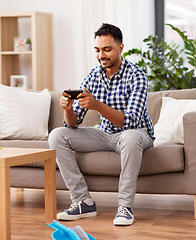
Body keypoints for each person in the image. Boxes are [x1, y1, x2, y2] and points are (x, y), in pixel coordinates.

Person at [48, 23, 154, 226]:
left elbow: (129, 122)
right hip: (104, 134)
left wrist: (97, 105)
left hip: (136, 133)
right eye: (97, 50)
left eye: (107, 49)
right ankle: (82, 201)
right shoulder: (93, 76)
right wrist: (67, 108)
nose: (101, 55)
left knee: (130, 137)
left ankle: (125, 207)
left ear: (120, 48)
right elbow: (73, 124)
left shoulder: (137, 76)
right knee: (57, 135)